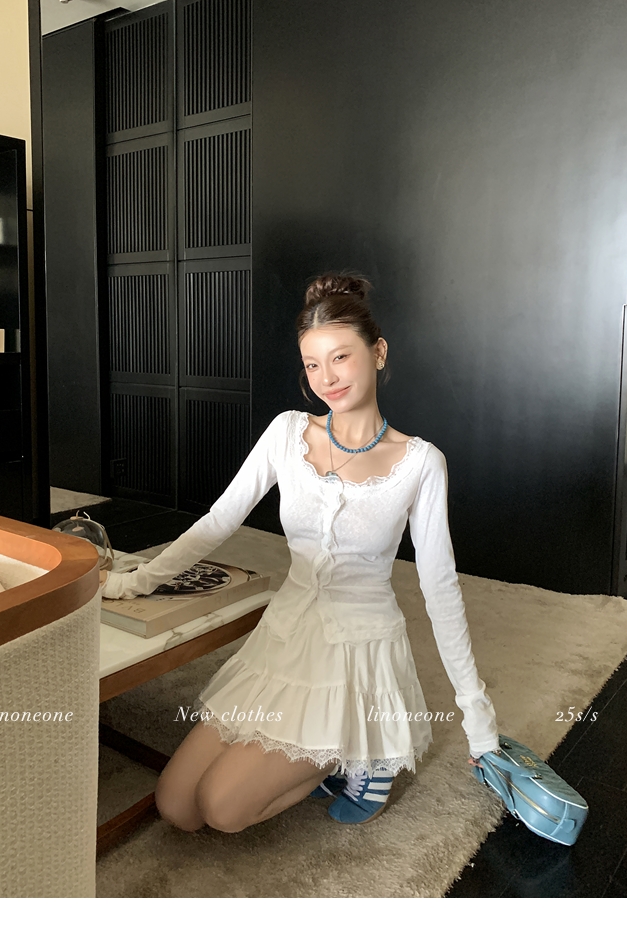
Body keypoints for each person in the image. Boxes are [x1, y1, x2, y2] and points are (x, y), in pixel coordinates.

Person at [101, 272, 500, 832]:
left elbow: (440, 587)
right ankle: (338, 749)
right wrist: (134, 580)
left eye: (340, 357)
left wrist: (479, 721)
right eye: (313, 365)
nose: (326, 379)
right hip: (286, 634)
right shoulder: (288, 433)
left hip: (355, 650)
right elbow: (219, 521)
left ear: (378, 352)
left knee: (222, 808)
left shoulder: (420, 463)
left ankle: (357, 752)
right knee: (177, 806)